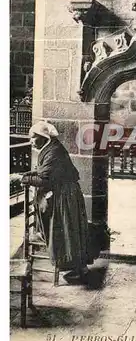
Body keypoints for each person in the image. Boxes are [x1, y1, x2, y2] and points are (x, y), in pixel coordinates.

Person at [21, 121, 90, 284]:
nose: (31, 141)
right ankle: (78, 268)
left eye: (33, 138)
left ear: (44, 137)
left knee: (67, 231)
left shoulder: (54, 152)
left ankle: (76, 268)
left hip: (66, 196)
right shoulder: (50, 148)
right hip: (65, 193)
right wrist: (28, 174)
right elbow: (42, 171)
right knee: (70, 230)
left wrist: (24, 178)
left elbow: (45, 179)